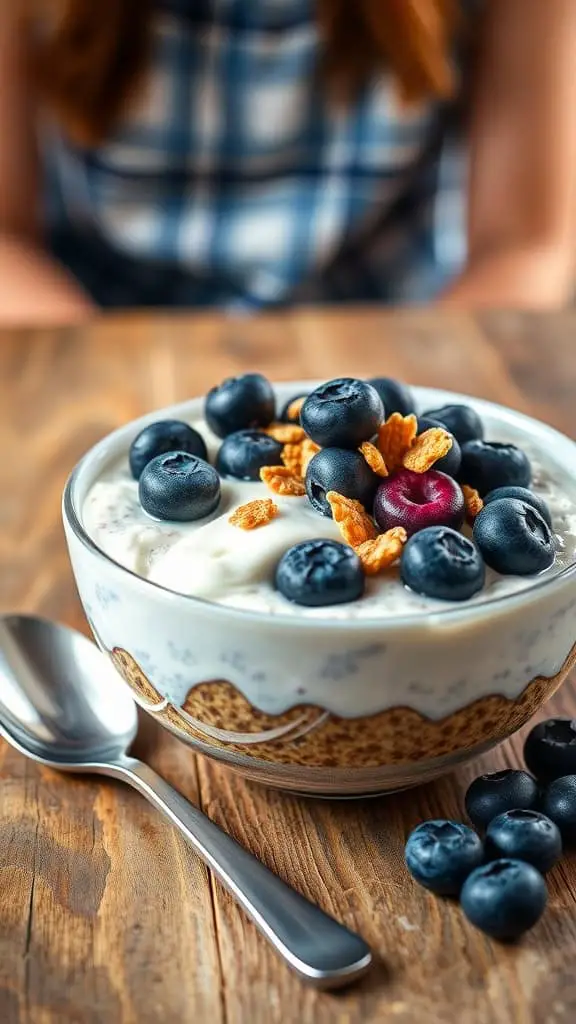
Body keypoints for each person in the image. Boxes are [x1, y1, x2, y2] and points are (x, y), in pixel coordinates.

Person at [1, 1, 576, 324]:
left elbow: (521, 246)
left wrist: (410, 403)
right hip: (101, 318)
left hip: (390, 332)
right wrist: (104, 380)